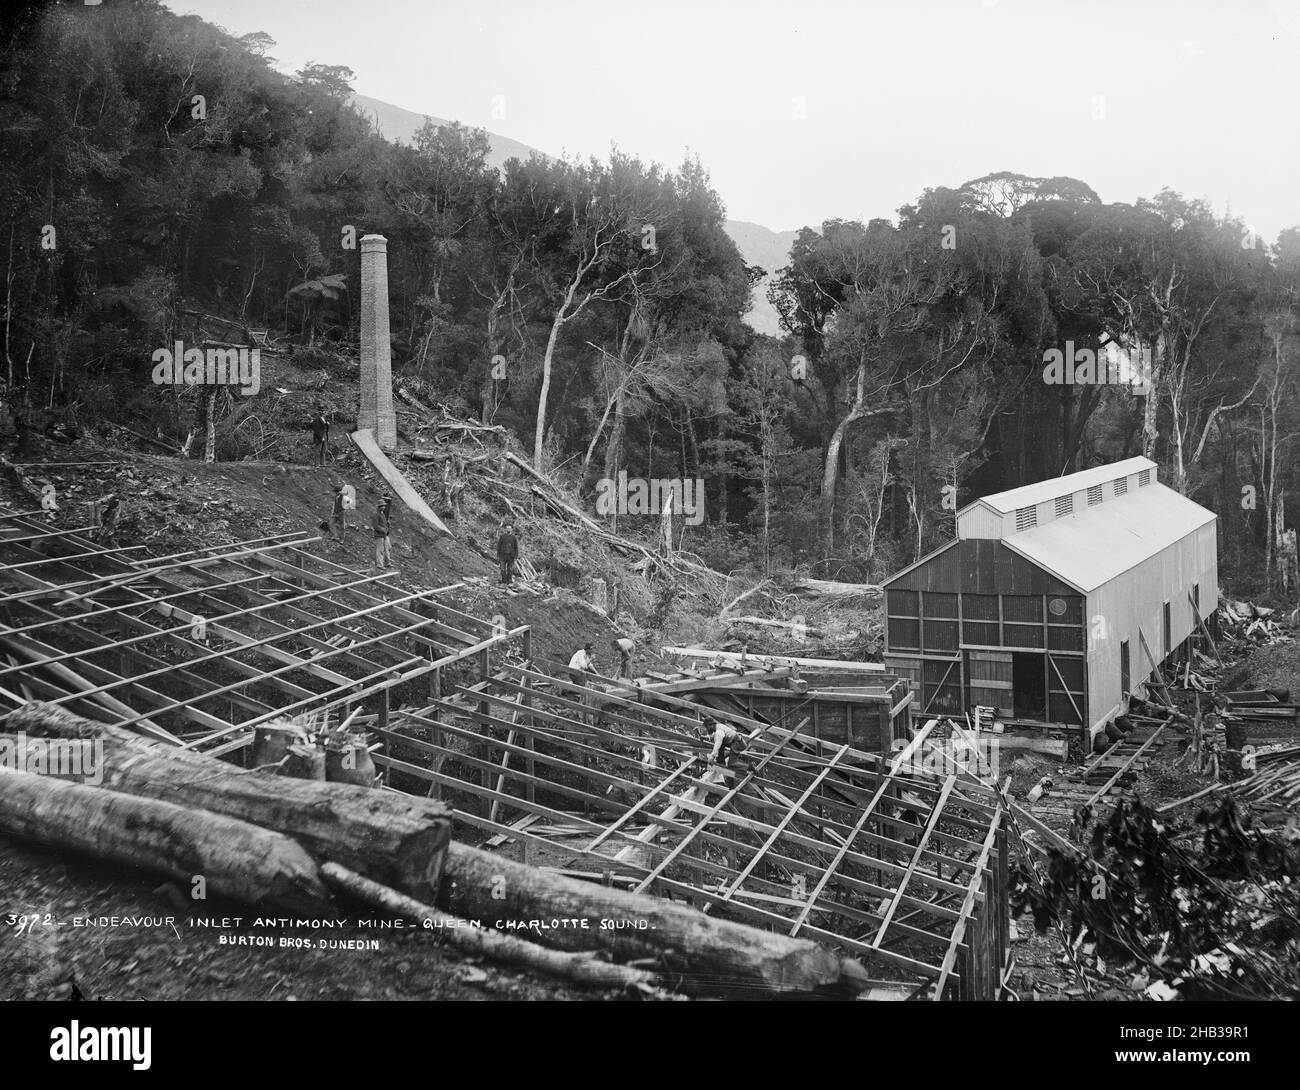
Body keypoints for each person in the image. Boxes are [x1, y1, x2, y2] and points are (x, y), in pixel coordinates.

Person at [372, 495, 394, 568]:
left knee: (387, 548)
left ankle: (387, 562)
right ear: (379, 507)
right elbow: (375, 526)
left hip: (384, 535)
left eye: (384, 506)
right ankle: (379, 564)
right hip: (379, 535)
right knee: (380, 550)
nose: (384, 507)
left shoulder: (382, 514)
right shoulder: (376, 514)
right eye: (382, 506)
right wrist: (382, 529)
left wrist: (387, 527)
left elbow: (384, 523)